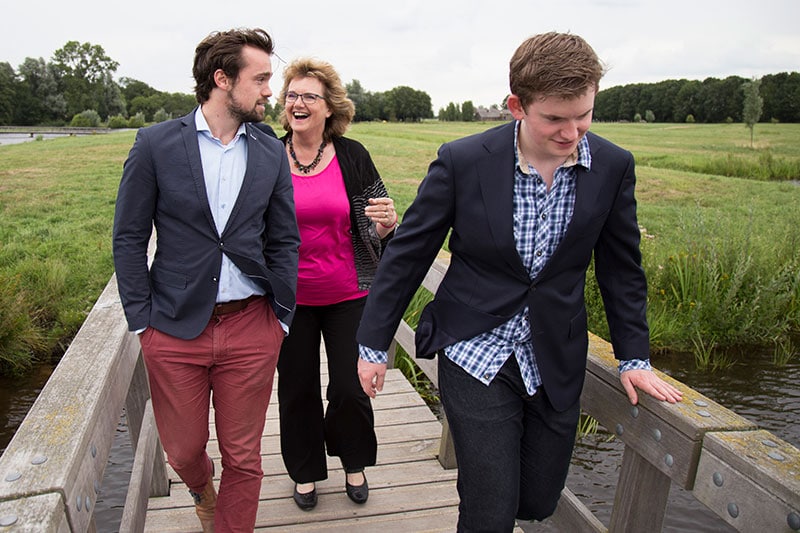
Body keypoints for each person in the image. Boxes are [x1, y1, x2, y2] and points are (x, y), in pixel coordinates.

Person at [355, 32, 683, 531]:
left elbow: (621, 270)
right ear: (516, 106)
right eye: (555, 118)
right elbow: (409, 254)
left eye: (584, 115)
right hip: (475, 348)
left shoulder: (613, 166)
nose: (572, 132)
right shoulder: (464, 161)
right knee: (489, 507)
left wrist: (633, 357)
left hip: (554, 353)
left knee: (535, 502)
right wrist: (374, 343)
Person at [112, 28, 299, 532]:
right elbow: (129, 237)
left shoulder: (267, 150)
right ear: (222, 79)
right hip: (173, 328)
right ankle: (201, 487)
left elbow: (284, 239)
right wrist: (141, 322)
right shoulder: (155, 144)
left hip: (251, 326)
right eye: (260, 79)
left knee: (244, 456)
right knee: (183, 449)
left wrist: (280, 317)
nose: (269, 91)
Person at [274, 57, 397, 511]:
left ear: (329, 108)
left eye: (309, 96)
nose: (297, 103)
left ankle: (353, 461)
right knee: (296, 387)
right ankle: (304, 471)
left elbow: (378, 223)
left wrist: (385, 227)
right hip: (291, 299)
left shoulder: (353, 156)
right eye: (291, 95)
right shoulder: (270, 154)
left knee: (349, 387)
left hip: (350, 294)